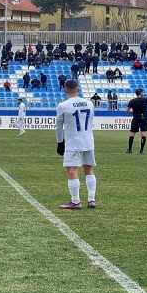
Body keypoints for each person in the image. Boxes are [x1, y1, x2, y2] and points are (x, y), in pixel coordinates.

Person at [55, 79, 97, 209]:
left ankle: (75, 201)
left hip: (73, 142)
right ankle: (91, 199)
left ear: (65, 90)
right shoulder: (89, 103)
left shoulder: (63, 105)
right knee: (89, 170)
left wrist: (60, 143)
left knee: (72, 170)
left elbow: (58, 127)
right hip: (88, 141)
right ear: (78, 89)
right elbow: (90, 121)